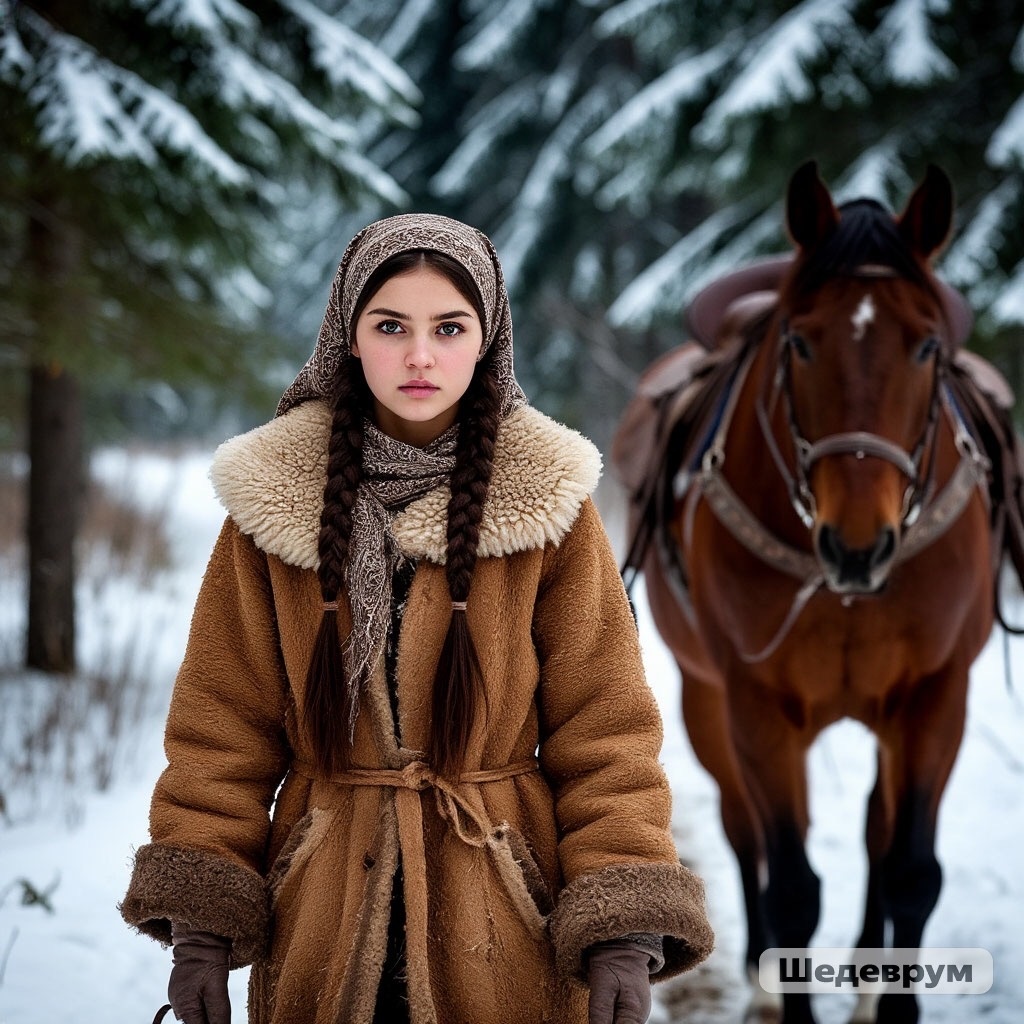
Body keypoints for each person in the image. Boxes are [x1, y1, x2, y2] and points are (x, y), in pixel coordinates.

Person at [119, 213, 714, 1024]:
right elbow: (222, 725)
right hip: (322, 913)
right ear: (349, 337)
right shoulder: (271, 501)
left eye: (450, 327)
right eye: (391, 325)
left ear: (489, 339)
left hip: (504, 916)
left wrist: (620, 928)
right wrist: (201, 930)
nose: (421, 355)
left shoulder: (548, 504)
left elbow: (604, 727)